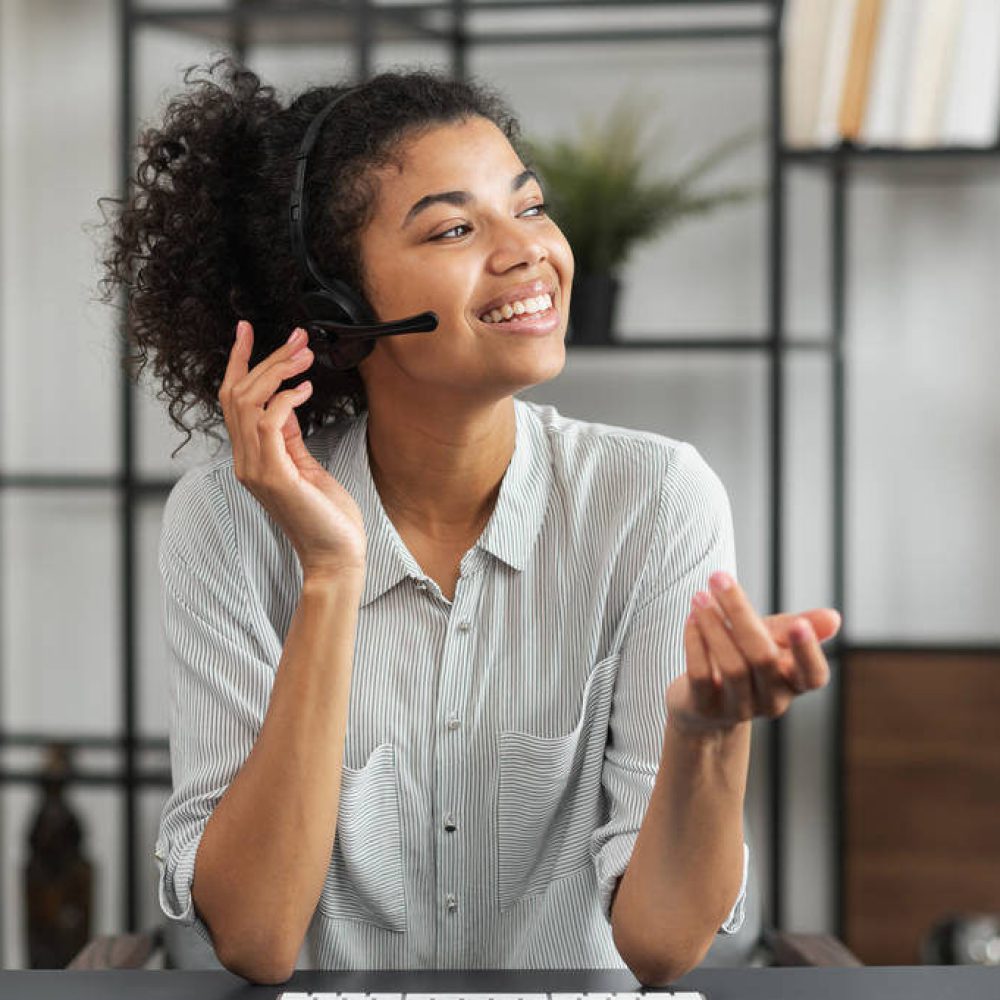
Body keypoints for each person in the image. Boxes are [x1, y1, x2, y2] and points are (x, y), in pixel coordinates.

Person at [100, 57, 840, 986]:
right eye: (455, 227)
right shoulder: (225, 521)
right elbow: (256, 938)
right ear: (336, 311)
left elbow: (662, 951)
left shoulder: (655, 501)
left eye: (528, 207)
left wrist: (706, 737)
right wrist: (330, 577)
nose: (527, 249)